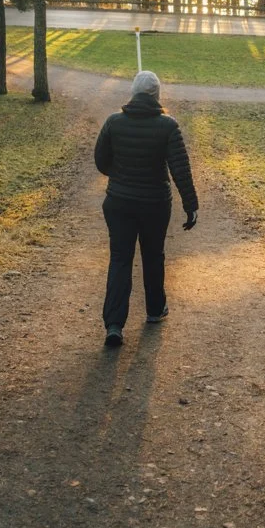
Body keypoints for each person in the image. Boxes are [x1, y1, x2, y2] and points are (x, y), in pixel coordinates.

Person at [94, 70, 198, 348]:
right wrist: (191, 206)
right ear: (157, 95)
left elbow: (100, 160)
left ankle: (114, 325)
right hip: (154, 203)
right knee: (153, 255)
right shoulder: (168, 126)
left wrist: (120, 175)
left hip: (119, 202)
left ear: (133, 93)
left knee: (120, 258)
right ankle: (154, 310)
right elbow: (180, 169)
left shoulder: (114, 122)